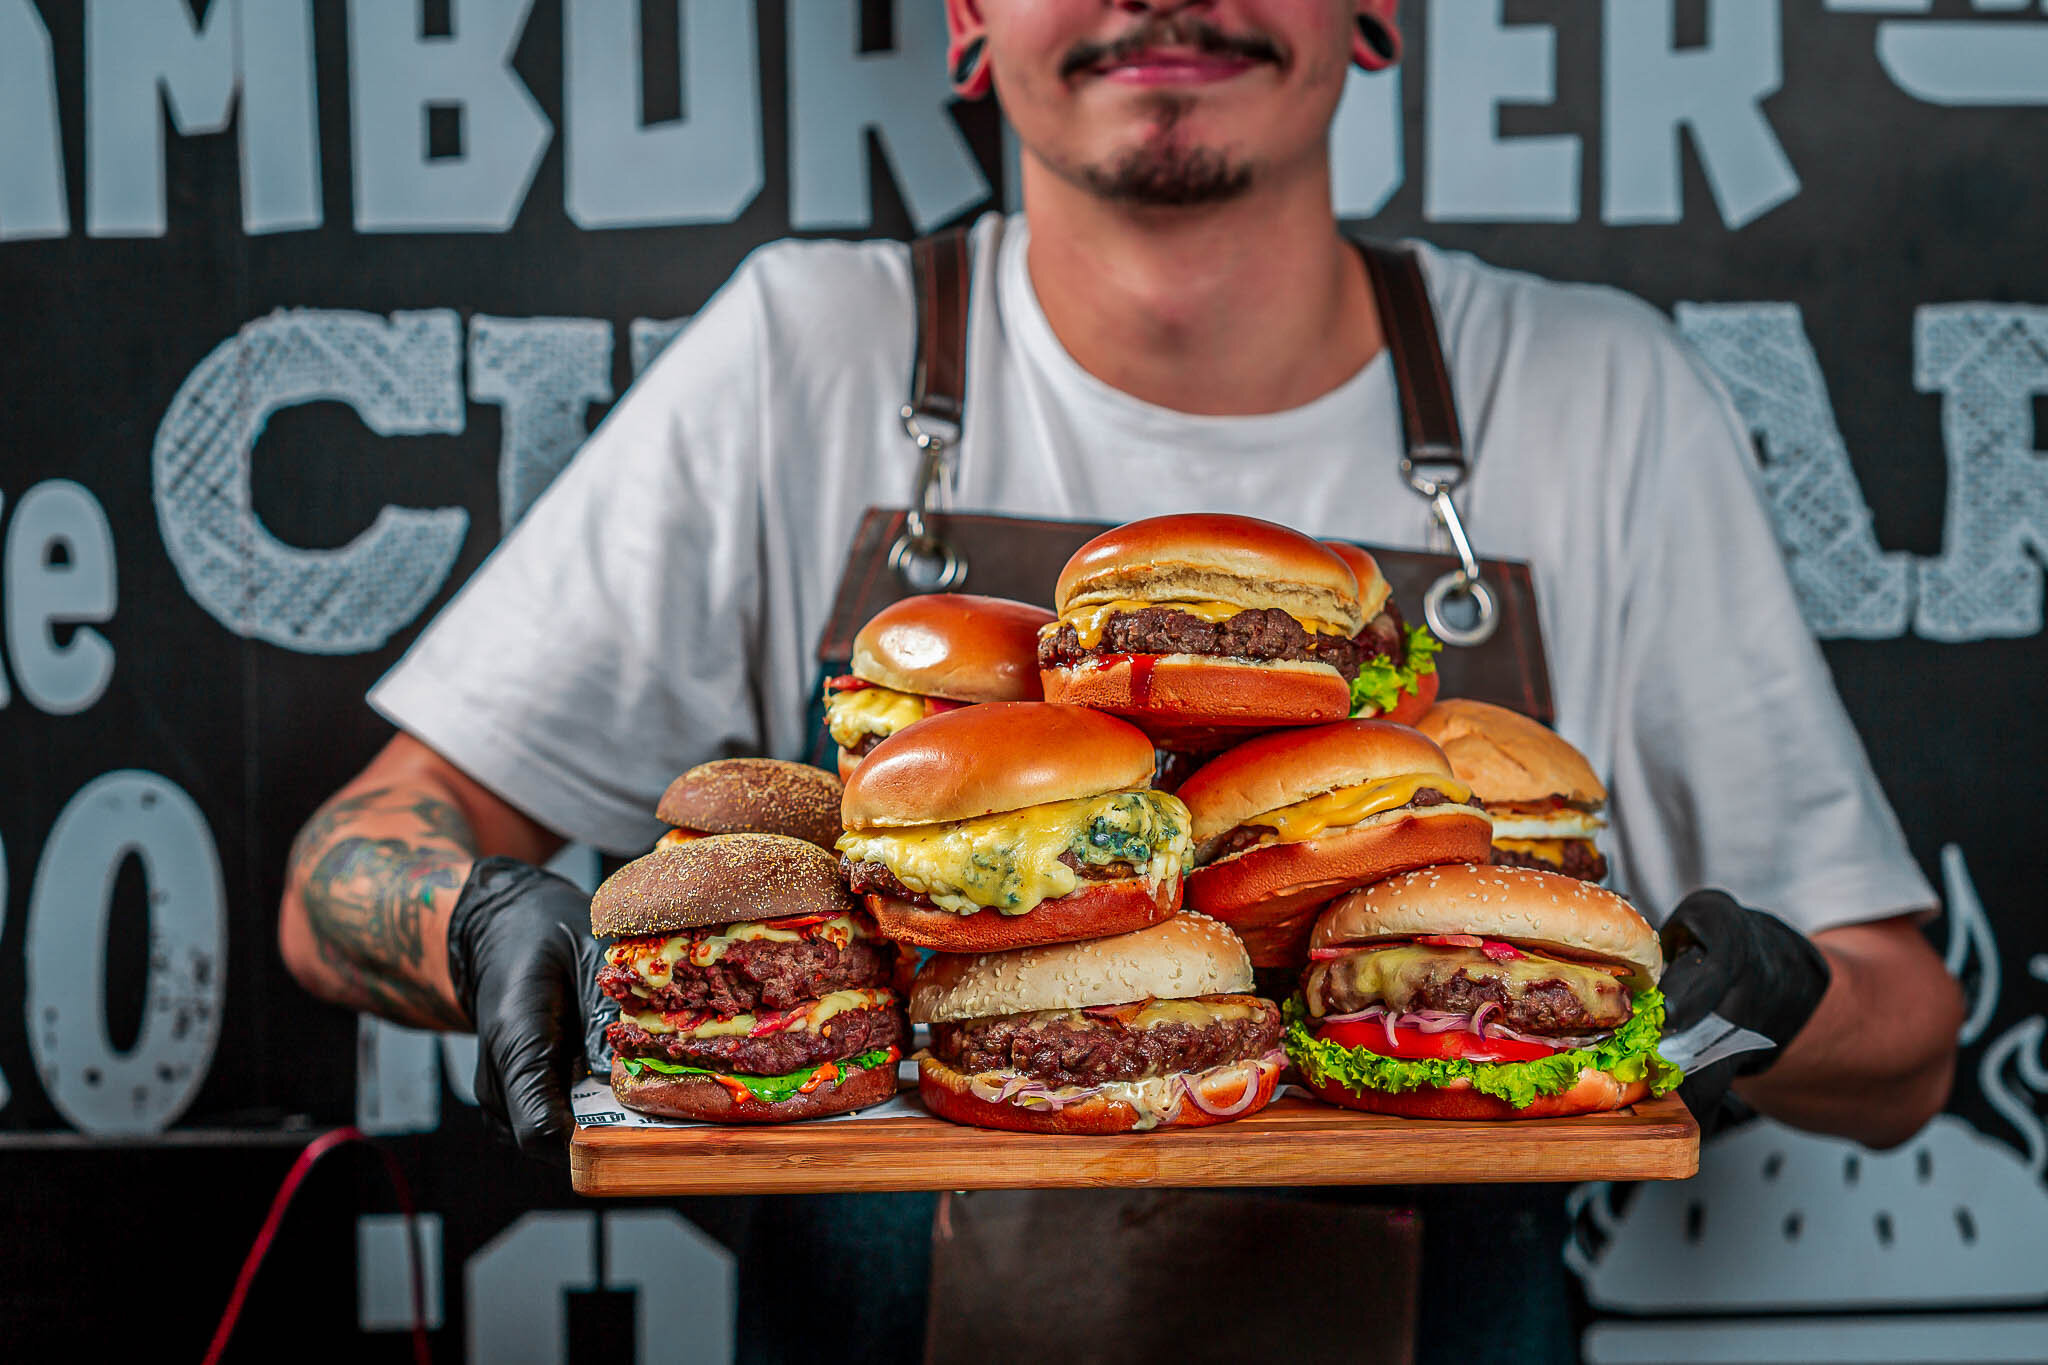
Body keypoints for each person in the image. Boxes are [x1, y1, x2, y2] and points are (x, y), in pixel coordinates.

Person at [279, 0, 1962, 1355]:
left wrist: (1738, 988)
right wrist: (474, 922)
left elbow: (1908, 1043)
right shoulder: (807, 354)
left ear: (1379, 9)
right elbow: (342, 863)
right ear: (962, 16)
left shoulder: (1598, 398)